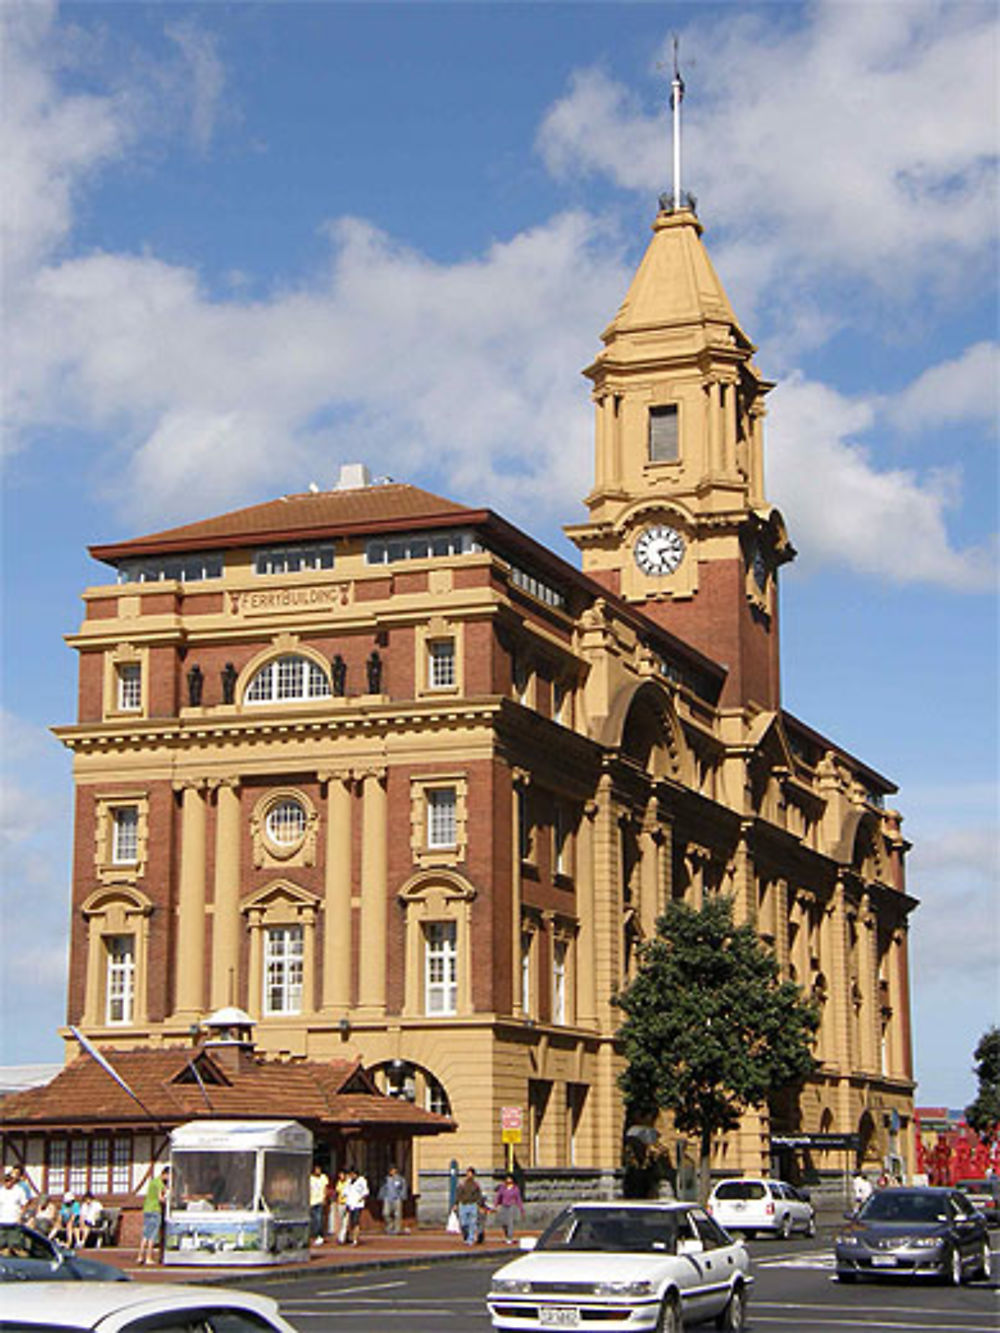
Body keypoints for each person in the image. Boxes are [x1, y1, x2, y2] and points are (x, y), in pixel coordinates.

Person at [136, 1165, 169, 1266]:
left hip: (147, 1208)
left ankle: (140, 1256)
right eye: (168, 1176)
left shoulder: (152, 1181)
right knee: (152, 1235)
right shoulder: (160, 1184)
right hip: (155, 1209)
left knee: (145, 1234)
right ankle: (148, 1257)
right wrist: (167, 1201)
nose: (168, 1179)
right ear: (165, 1174)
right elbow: (160, 1198)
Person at [455, 1167, 484, 1246]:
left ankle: (470, 1239)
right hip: (463, 1204)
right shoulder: (462, 1184)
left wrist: (480, 1205)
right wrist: (456, 1204)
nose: (469, 1175)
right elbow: (458, 1194)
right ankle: (466, 1236)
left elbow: (479, 1195)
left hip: (472, 1204)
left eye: (471, 1174)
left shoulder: (476, 1185)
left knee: (472, 1223)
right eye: (468, 1174)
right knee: (463, 1223)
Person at [494, 1173, 525, 1244]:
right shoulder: (502, 1188)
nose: (508, 1180)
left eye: (510, 1179)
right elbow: (498, 1196)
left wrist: (521, 1209)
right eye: (507, 1179)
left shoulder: (515, 1189)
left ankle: (510, 1237)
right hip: (504, 1206)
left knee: (510, 1222)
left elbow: (518, 1199)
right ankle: (506, 1234)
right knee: (504, 1222)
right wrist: (496, 1205)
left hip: (511, 1206)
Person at [343, 1167, 369, 1246]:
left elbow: (366, 1192)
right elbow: (345, 1191)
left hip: (357, 1204)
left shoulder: (362, 1181)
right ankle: (348, 1237)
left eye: (352, 1174)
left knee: (356, 1222)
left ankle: (355, 1239)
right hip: (349, 1203)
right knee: (349, 1222)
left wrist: (360, 1199)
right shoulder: (348, 1181)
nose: (351, 1176)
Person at [378, 1165, 407, 1235]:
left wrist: (402, 1196)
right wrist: (381, 1196)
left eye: (393, 1170)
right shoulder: (386, 1179)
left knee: (397, 1214)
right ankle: (390, 1224)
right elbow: (383, 1188)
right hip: (387, 1198)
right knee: (385, 1213)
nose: (391, 1172)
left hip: (397, 1198)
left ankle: (397, 1228)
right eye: (390, 1170)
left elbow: (403, 1188)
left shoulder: (400, 1179)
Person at [309, 1163, 329, 1246]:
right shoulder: (310, 1178)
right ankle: (315, 1234)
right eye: (316, 1169)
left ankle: (320, 1235)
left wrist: (324, 1198)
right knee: (314, 1219)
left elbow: (325, 1188)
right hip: (312, 1201)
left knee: (319, 1218)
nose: (318, 1171)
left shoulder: (323, 1177)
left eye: (319, 1169)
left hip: (320, 1200)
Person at [330, 1169, 349, 1243]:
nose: (341, 1176)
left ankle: (342, 1237)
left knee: (346, 1221)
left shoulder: (348, 1183)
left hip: (347, 1203)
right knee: (340, 1220)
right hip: (340, 1203)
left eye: (342, 1175)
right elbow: (337, 1192)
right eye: (340, 1175)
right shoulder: (339, 1183)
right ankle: (341, 1235)